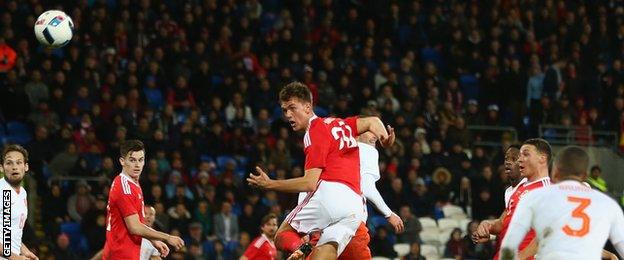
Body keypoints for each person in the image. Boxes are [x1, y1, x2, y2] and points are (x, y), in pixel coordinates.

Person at [247, 82, 394, 259]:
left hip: (329, 195)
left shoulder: (314, 131)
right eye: (285, 110)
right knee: (328, 248)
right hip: (354, 206)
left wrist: (270, 184)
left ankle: (301, 248)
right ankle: (307, 251)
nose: (288, 115)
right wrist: (385, 139)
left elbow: (309, 183)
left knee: (281, 235)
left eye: (292, 108)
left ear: (308, 107)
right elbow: (373, 121)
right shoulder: (338, 123)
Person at [501, 146, 624, 259]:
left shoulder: (536, 197)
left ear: (555, 172)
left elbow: (511, 241)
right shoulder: (608, 204)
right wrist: (610, 255)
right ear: (585, 175)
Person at [102, 140, 184, 259]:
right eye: (132, 160)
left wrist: (153, 240)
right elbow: (134, 227)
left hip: (127, 253)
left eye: (140, 160)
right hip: (120, 254)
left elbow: (139, 222)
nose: (137, 165)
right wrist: (168, 237)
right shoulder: (124, 187)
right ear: (122, 161)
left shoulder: (133, 183)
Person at [473, 138, 552, 259]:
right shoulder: (517, 190)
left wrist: (521, 256)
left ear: (542, 158)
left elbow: (549, 232)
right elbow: (503, 222)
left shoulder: (548, 190)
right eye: (519, 156)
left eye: (525, 154)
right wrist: (487, 226)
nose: (520, 159)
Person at [337, 131, 404, 259]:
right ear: (356, 135)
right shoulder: (368, 150)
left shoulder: (337, 151)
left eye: (375, 131)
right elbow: (367, 188)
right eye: (369, 130)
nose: (375, 135)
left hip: (328, 221)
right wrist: (389, 214)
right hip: (350, 221)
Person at [0, 144, 38, 260]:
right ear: (1, 168)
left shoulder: (22, 193)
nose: (14, 167)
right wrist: (15, 257)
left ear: (26, 167)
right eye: (9, 163)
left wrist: (25, 251)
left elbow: (10, 233)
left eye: (18, 162)